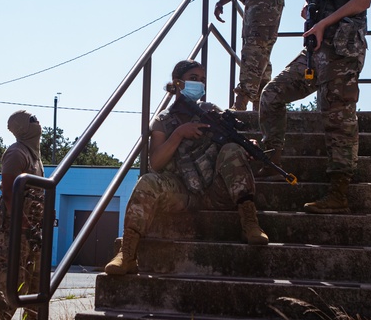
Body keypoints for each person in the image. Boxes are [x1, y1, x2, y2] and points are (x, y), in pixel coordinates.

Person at [257, 0, 371, 214]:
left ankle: (338, 192)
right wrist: (312, 14)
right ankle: (272, 158)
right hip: (317, 51)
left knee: (337, 117)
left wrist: (324, 22)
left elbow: (363, 0)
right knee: (272, 94)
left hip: (343, 50)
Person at [105, 60, 269, 276]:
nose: (199, 84)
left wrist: (246, 146)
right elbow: (156, 162)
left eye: (202, 80)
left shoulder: (210, 111)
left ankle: (250, 222)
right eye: (194, 79)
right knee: (147, 181)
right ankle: (127, 254)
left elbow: (232, 137)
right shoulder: (163, 120)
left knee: (232, 149)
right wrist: (179, 133)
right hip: (183, 193)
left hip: (215, 190)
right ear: (178, 83)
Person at [0, 110, 45, 320]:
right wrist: (25, 224)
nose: (37, 122)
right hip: (14, 231)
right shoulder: (16, 152)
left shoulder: (33, 155)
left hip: (32, 232)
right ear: (21, 127)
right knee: (12, 282)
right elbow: (9, 191)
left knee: (37, 284)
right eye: (32, 120)